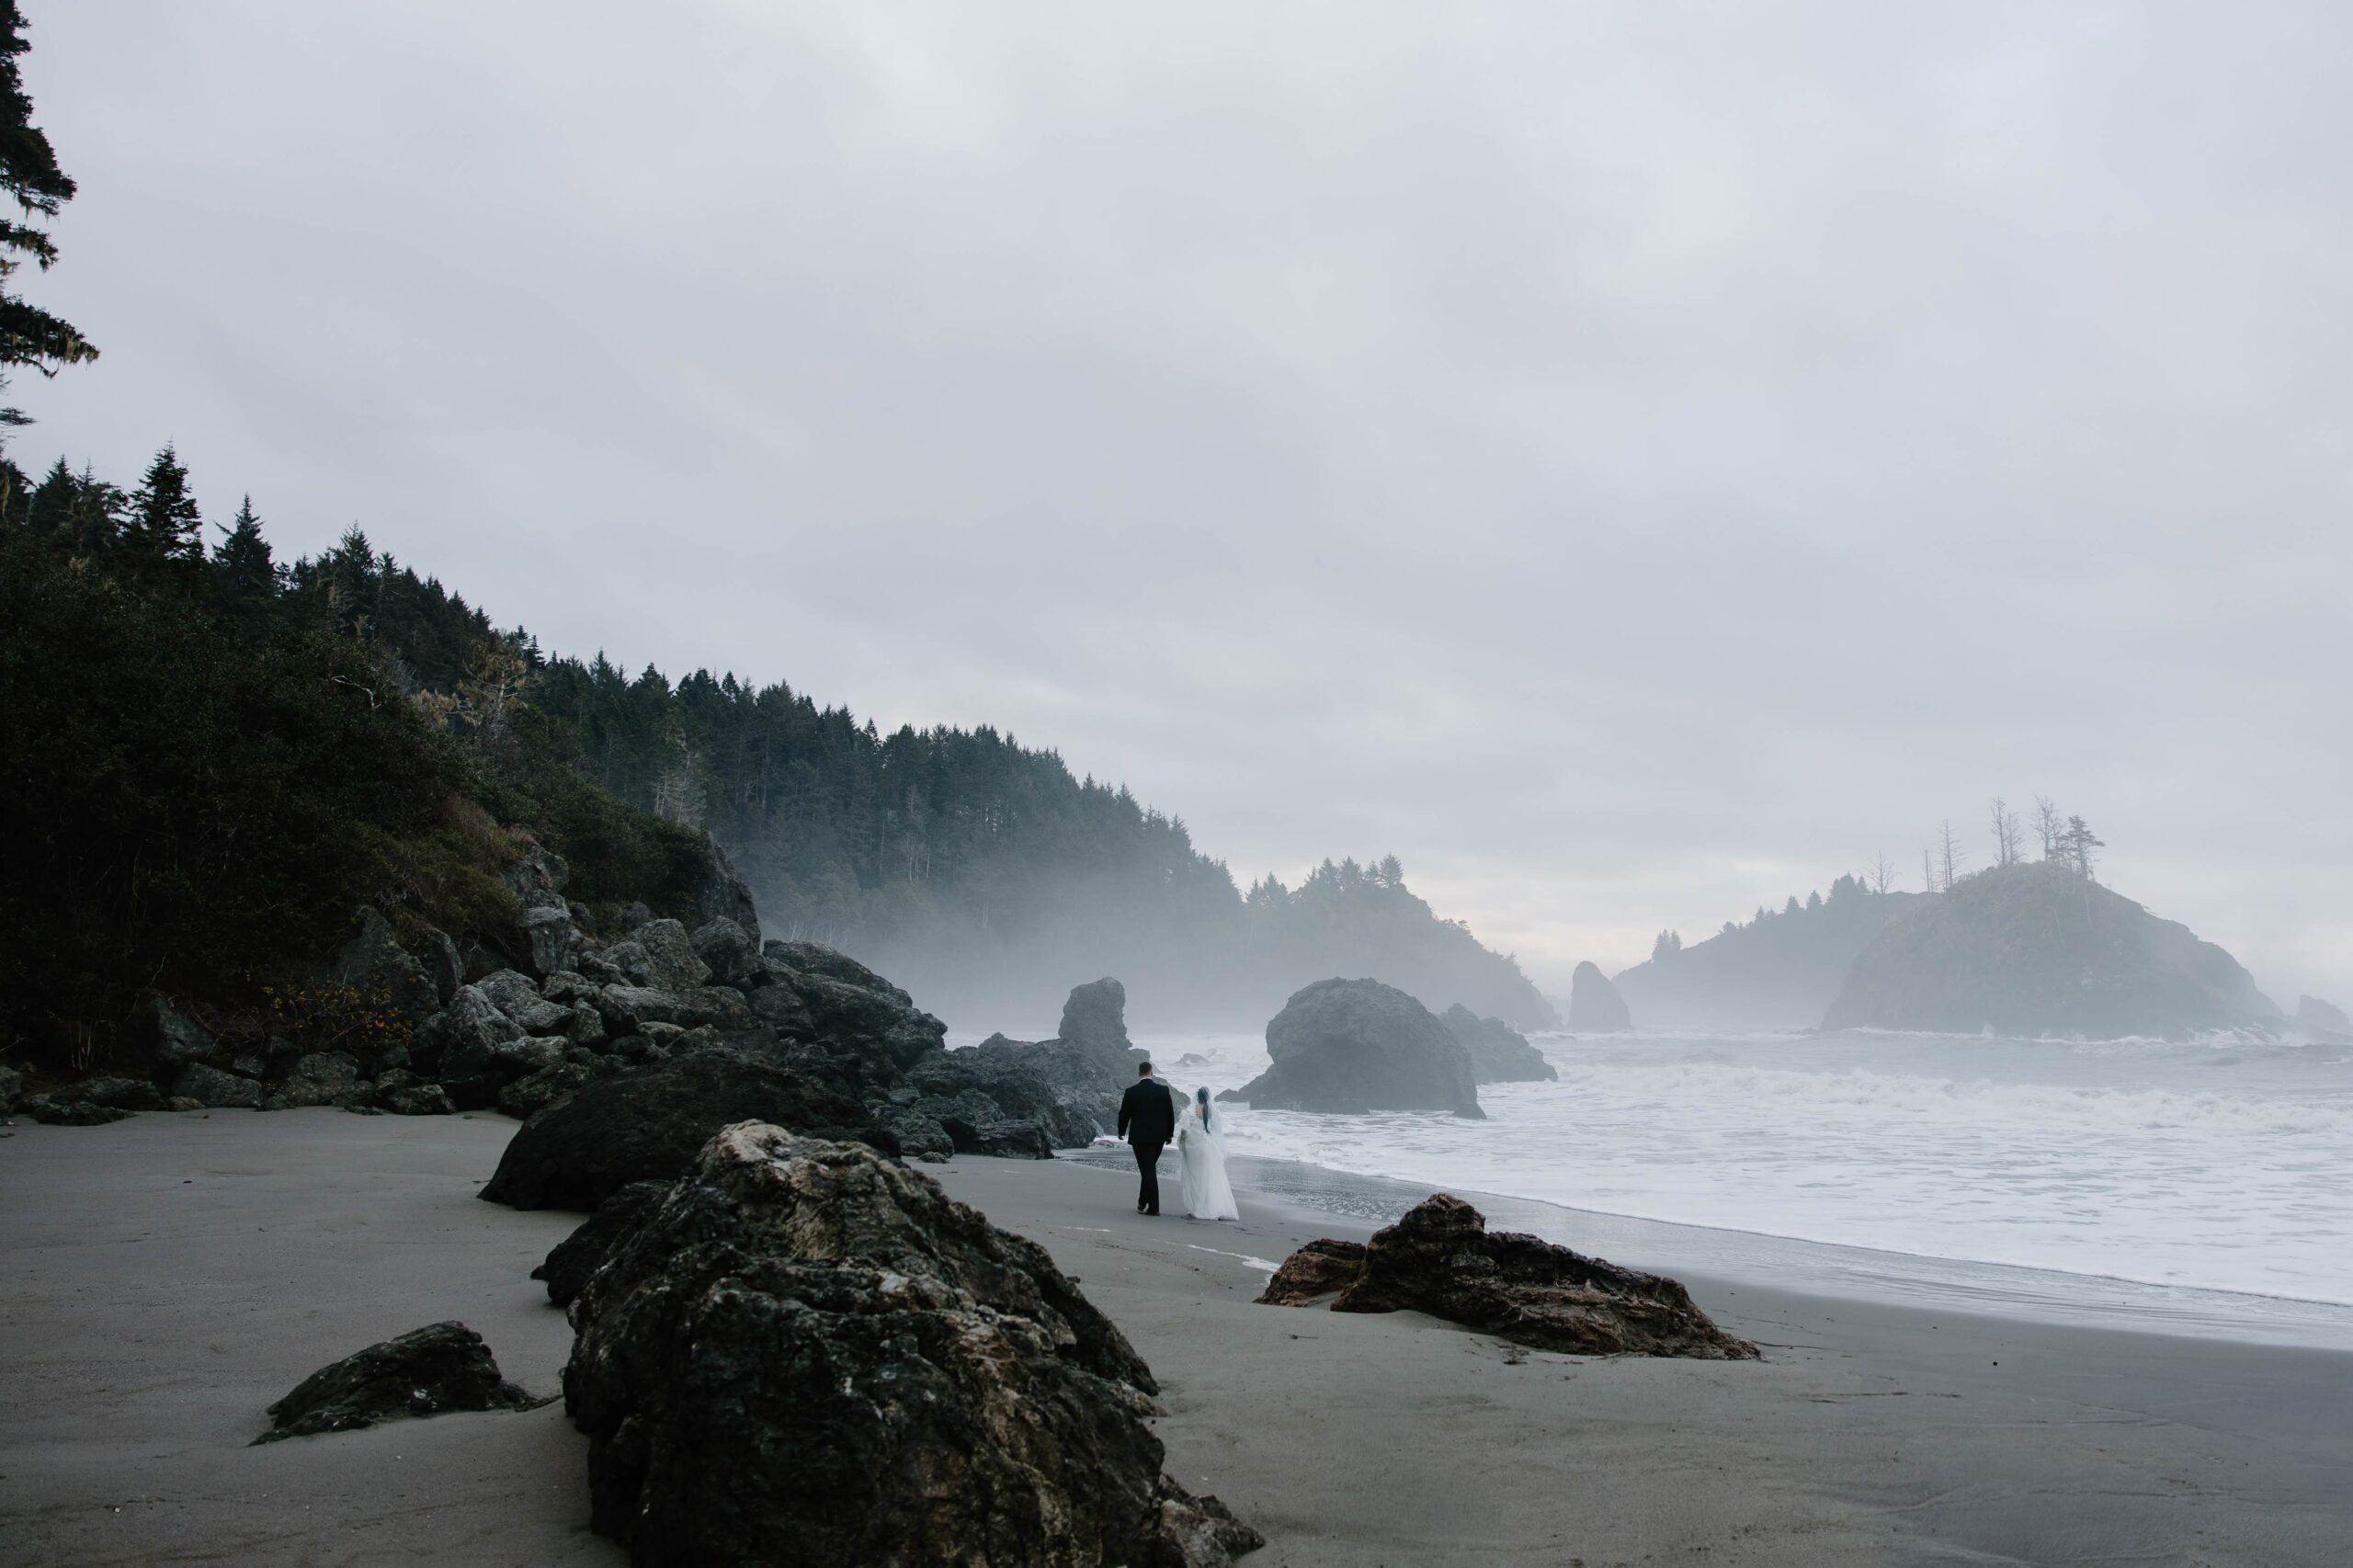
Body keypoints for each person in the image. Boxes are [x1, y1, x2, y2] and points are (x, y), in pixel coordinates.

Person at [1117, 1060, 1176, 1216]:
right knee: (1148, 1169)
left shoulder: (1132, 1091)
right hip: (1159, 1137)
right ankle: (1142, 1203)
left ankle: (1154, 1207)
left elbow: (1124, 1114)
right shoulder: (1163, 1090)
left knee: (1148, 1170)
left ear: (1139, 1074)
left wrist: (1121, 1131)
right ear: (1151, 1072)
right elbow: (1170, 1114)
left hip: (1140, 1137)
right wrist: (1170, 1134)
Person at [1176, 1085, 1240, 1221]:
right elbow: (1214, 1128)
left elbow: (1185, 1129)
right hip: (1206, 1145)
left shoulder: (1192, 1111)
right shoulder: (1211, 1110)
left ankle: (1198, 1207)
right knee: (1209, 1177)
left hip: (1193, 1146)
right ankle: (1211, 1206)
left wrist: (1181, 1142)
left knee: (1197, 1177)